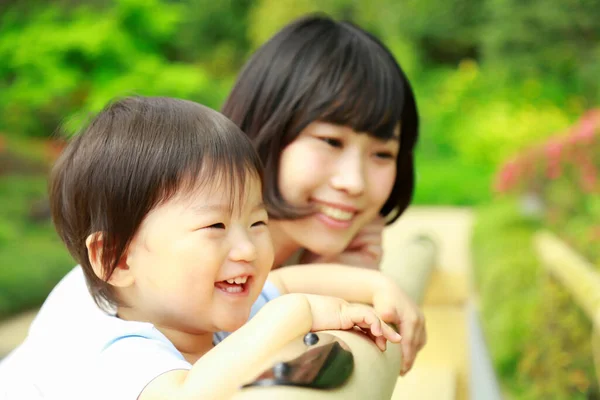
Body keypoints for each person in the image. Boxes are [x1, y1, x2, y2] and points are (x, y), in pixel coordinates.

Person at [0, 96, 412, 399]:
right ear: (118, 258)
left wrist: (375, 287)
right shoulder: (112, 348)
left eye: (257, 222)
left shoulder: (197, 307)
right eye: (215, 225)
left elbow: (286, 281)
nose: (248, 249)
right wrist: (296, 314)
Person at [221, 14, 419, 272]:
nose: (354, 182)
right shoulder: (179, 251)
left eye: (382, 154)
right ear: (264, 126)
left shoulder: (340, 262)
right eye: (331, 141)